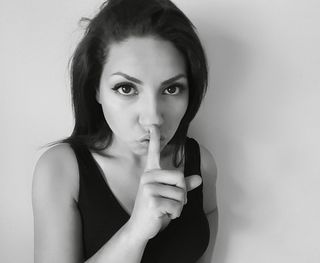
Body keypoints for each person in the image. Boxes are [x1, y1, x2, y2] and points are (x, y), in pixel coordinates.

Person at [32, 0, 218, 262]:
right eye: (126, 88)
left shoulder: (201, 164)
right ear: (95, 88)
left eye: (171, 89)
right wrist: (135, 233)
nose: (152, 117)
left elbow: (208, 221)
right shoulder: (61, 170)